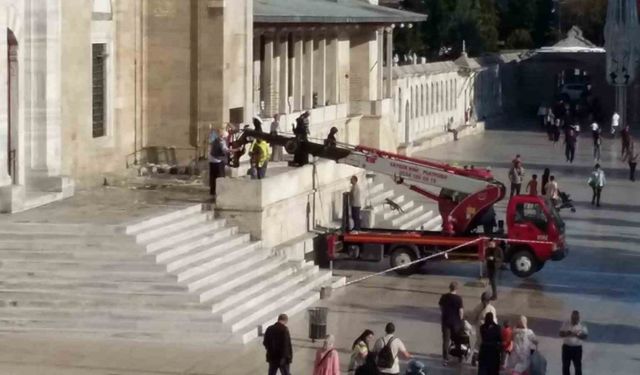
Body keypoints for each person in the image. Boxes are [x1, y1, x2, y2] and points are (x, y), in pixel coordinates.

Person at [439, 281, 464, 366]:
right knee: (457, 340)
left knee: (446, 340)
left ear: (449, 287)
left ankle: (445, 358)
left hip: (446, 321)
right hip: (456, 323)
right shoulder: (458, 298)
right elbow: (461, 312)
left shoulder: (444, 297)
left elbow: (441, 307)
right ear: (456, 288)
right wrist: (461, 321)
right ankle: (459, 356)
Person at [470, 292, 497, 367]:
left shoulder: (478, 306)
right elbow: (494, 321)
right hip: (487, 329)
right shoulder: (491, 309)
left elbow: (473, 316)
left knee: (478, 343)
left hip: (479, 327)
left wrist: (473, 323)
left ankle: (475, 356)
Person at [559, 310, 588, 375]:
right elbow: (560, 333)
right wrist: (566, 333)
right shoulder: (566, 323)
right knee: (565, 366)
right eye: (573, 318)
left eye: (575, 319)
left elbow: (585, 336)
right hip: (566, 348)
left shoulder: (582, 324)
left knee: (577, 366)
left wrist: (577, 335)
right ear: (571, 317)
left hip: (577, 349)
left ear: (578, 318)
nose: (574, 320)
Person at [208, 127, 228, 201]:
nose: (224, 138)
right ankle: (218, 191)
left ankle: (212, 191)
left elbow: (210, 140)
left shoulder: (214, 140)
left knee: (213, 176)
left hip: (212, 160)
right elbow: (224, 150)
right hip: (218, 160)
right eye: (223, 136)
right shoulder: (220, 142)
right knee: (219, 176)